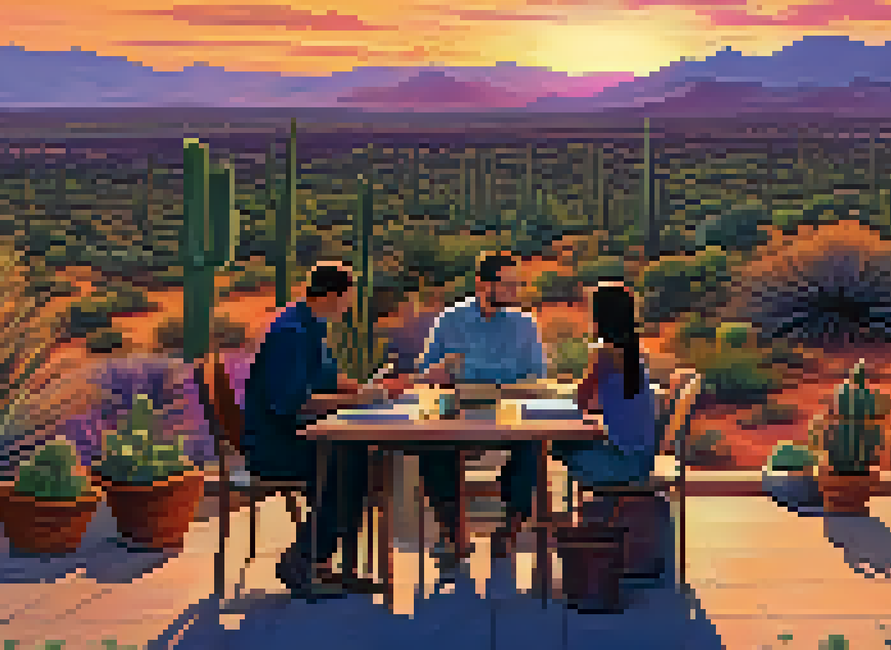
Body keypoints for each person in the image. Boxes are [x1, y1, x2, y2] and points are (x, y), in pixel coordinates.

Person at [241, 261, 387, 599]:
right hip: (277, 445)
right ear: (333, 295)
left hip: (295, 435)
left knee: (354, 457)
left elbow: (327, 378)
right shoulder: (291, 333)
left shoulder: (309, 325)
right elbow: (294, 404)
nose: (349, 306)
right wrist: (357, 400)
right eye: (348, 298)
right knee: (345, 464)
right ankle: (304, 560)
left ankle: (324, 563)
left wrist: (366, 390)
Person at [413, 251, 548, 576]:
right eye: (508, 284)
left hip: (510, 416)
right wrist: (442, 373)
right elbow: (427, 370)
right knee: (431, 448)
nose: (514, 291)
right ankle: (452, 534)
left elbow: (536, 375)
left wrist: (467, 369)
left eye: (517, 284)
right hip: (459, 415)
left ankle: (509, 530)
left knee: (532, 447)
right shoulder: (450, 320)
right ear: (483, 285)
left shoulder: (525, 325)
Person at [551, 281, 661, 492]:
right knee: (568, 443)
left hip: (622, 465)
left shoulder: (606, 353)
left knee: (557, 444)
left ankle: (536, 509)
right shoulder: (633, 352)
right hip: (642, 461)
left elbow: (580, 401)